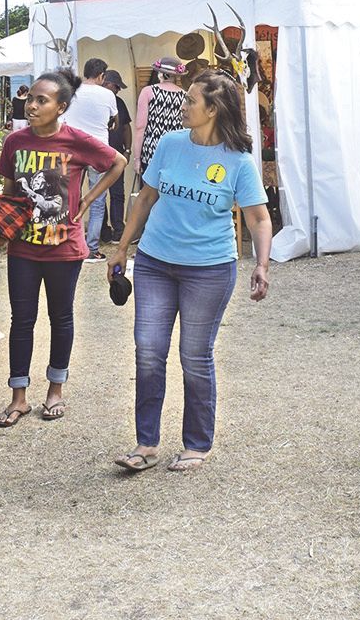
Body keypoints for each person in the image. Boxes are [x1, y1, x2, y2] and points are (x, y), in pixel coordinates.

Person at [108, 70, 272, 473]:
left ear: (212, 109)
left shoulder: (238, 162)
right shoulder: (169, 143)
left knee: (194, 357)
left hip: (209, 270)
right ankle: (146, 444)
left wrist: (263, 264)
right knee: (148, 352)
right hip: (154, 263)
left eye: (190, 101)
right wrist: (122, 246)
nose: (183, 106)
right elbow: (145, 197)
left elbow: (258, 218)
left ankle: (196, 444)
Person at [0, 71, 125, 427]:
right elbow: (8, 190)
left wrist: (87, 199)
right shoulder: (15, 142)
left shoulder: (76, 140)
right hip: (22, 247)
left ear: (61, 107)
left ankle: (55, 389)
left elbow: (117, 163)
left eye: (41, 100)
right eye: (31, 99)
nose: (32, 106)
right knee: (22, 320)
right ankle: (18, 397)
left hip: (64, 248)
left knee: (60, 317)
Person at [62, 58, 119, 262]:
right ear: (102, 75)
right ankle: (92, 249)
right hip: (98, 151)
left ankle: (68, 241)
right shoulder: (107, 94)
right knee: (97, 201)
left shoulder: (71, 91)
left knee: (69, 197)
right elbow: (114, 121)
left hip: (73, 149)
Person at [133, 56, 189, 177]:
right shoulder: (185, 95)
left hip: (151, 152)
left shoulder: (148, 92)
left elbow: (140, 128)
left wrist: (137, 159)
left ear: (160, 74)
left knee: (149, 194)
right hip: (176, 153)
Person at [102, 69, 134, 242]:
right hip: (98, 154)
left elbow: (126, 127)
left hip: (116, 153)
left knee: (117, 193)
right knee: (99, 195)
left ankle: (118, 229)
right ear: (105, 83)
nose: (118, 90)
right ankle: (103, 230)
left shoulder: (119, 102)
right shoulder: (95, 102)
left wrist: (127, 150)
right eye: (116, 86)